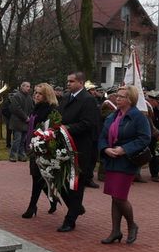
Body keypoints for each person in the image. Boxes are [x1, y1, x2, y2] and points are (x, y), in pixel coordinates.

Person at [98, 85, 151, 244]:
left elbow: (144, 138)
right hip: (111, 159)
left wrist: (124, 149)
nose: (117, 98)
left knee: (120, 197)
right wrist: (105, 149)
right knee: (114, 197)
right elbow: (102, 136)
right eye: (117, 96)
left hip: (126, 161)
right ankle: (115, 231)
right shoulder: (112, 116)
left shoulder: (138, 117)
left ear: (130, 99)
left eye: (121, 96)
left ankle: (132, 225)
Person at [57, 72, 99, 232]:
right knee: (60, 181)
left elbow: (88, 123)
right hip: (64, 146)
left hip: (80, 148)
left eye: (71, 81)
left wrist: (68, 128)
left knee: (76, 184)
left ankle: (70, 219)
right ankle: (76, 207)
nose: (68, 84)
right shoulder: (67, 97)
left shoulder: (88, 100)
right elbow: (59, 116)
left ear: (81, 83)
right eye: (67, 81)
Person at [22, 83, 60, 218]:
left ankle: (32, 207)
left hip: (44, 148)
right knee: (38, 177)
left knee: (39, 177)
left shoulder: (50, 110)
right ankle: (53, 198)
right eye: (35, 92)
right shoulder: (36, 108)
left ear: (46, 95)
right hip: (34, 146)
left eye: (39, 93)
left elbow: (52, 129)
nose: (36, 95)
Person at [8, 81, 33, 162]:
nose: (28, 88)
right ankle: (13, 155)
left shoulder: (29, 97)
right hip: (17, 122)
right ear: (22, 87)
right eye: (27, 86)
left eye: (29, 86)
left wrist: (31, 117)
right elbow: (16, 109)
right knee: (17, 140)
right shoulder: (16, 96)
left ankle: (21, 155)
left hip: (26, 122)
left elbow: (31, 108)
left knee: (23, 141)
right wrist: (25, 117)